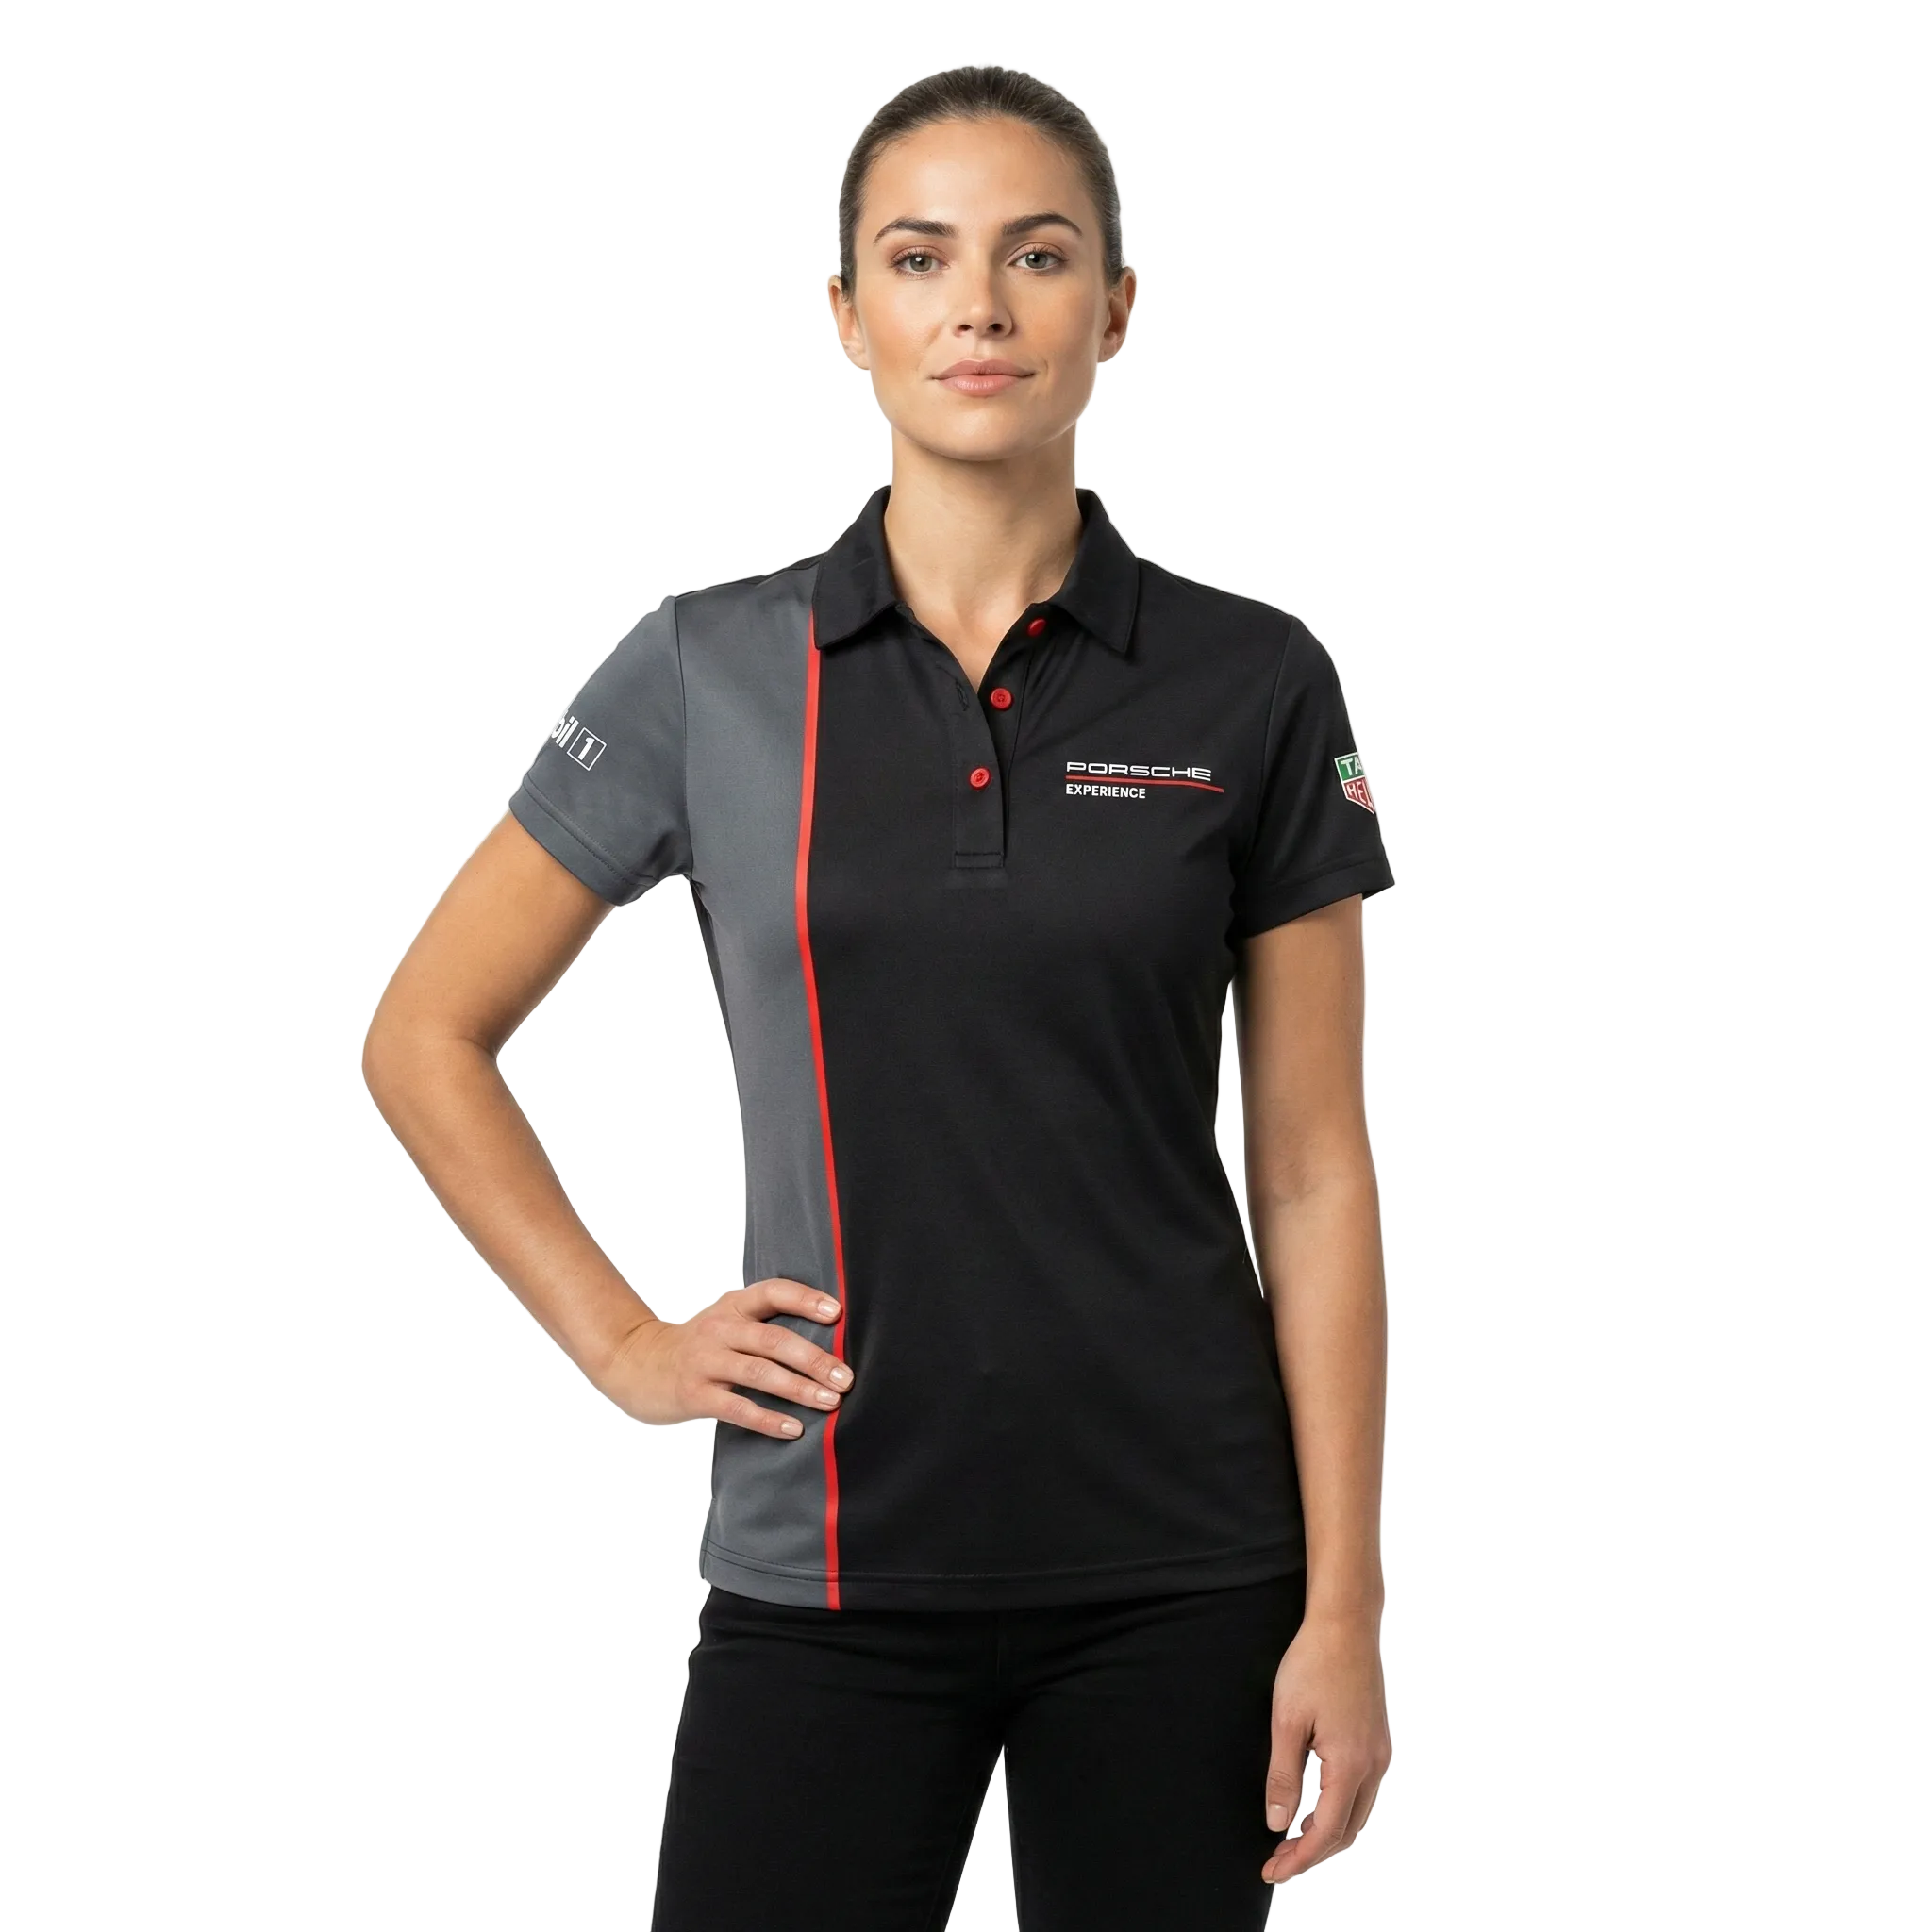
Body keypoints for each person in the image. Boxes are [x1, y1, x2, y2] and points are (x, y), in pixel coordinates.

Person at [363, 63, 1394, 1932]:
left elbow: (1313, 1170)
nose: (978, 306)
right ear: (847, 315)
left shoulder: (1253, 681)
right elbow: (425, 1035)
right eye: (920, 260)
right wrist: (622, 1343)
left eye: (1038, 256)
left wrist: (1345, 1605)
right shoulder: (710, 670)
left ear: (1117, 310)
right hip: (825, 1562)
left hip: (1183, 1568)